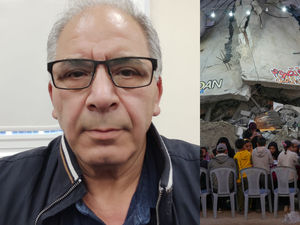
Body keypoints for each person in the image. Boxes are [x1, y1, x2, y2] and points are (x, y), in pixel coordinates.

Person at [0, 1, 200, 225]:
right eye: (76, 74)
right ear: (53, 98)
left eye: (127, 71)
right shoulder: (5, 189)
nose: (102, 97)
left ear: (157, 94)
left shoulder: (199, 175)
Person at [234, 138, 252, 212]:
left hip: (240, 177)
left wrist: (238, 179)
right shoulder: (249, 154)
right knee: (249, 192)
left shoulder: (236, 156)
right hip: (248, 176)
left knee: (241, 194)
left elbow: (237, 168)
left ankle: (241, 208)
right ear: (244, 145)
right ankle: (248, 208)